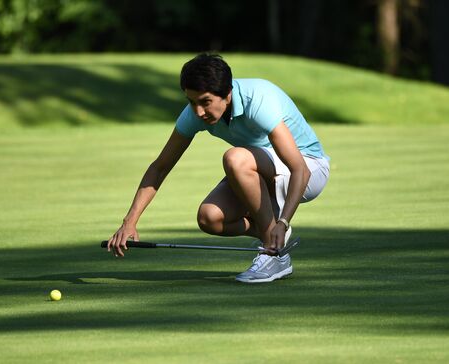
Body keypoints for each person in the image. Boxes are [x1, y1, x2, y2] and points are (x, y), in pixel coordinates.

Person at [107, 53, 330, 283]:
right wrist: (129, 222)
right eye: (191, 102)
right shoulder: (196, 114)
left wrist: (283, 221)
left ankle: (273, 254)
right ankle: (270, 234)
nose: (198, 112)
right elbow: (160, 167)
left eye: (205, 102)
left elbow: (299, 169)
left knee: (235, 158)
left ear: (227, 94)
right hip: (261, 170)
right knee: (210, 217)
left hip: (309, 170)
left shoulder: (259, 99)